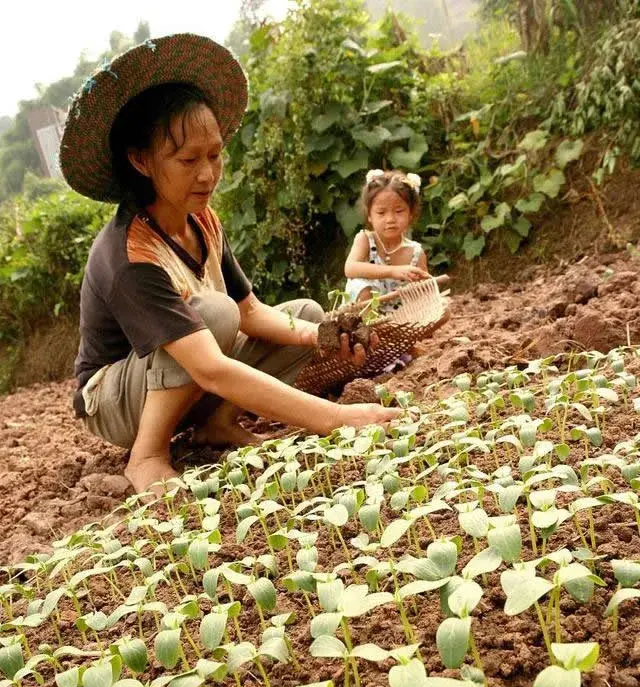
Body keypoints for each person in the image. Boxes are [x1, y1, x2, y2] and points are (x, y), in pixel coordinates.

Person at [59, 34, 401, 495]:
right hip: (117, 397)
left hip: (185, 371)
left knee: (306, 315)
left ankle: (219, 423)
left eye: (215, 155)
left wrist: (323, 336)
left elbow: (253, 313)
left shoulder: (201, 220)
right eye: (188, 160)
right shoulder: (130, 254)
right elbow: (211, 365)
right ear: (141, 161)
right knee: (214, 313)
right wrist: (338, 419)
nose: (207, 174)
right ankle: (147, 454)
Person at [344, 169, 430, 307]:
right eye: (381, 212)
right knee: (362, 288)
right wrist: (393, 271)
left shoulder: (415, 253)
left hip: (400, 318)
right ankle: (368, 328)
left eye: (399, 211)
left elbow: (425, 288)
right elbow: (350, 268)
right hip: (361, 316)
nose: (390, 219)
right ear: (370, 216)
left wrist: (426, 286)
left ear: (411, 213)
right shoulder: (365, 239)